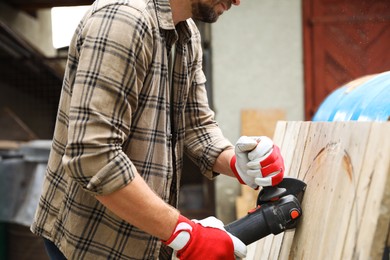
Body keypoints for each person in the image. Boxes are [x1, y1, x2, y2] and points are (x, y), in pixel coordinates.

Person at [30, 0, 285, 259]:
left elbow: (197, 126)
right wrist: (187, 235)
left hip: (143, 236)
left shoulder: (187, 33)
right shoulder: (124, 19)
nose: (238, 1)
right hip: (92, 241)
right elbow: (94, 157)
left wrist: (237, 163)